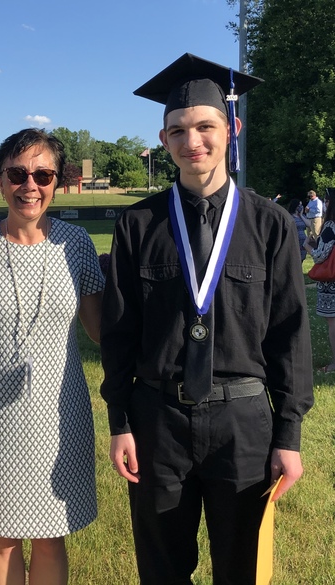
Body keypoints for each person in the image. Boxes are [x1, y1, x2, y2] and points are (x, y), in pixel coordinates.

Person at [100, 53, 314, 584]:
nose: (192, 140)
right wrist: (120, 422)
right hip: (157, 421)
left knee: (241, 568)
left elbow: (290, 333)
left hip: (242, 422)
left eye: (204, 126)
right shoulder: (137, 224)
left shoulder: (271, 225)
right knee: (162, 567)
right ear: (164, 138)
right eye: (178, 130)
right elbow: (119, 330)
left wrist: (288, 434)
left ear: (231, 127)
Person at [0, 128, 104, 585]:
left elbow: (100, 331)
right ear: (0, 179)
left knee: (52, 535)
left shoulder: (77, 245)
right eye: (17, 173)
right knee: (2, 537)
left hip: (58, 413)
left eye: (43, 174)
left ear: (57, 180)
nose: (29, 185)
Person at [304, 193, 335, 373]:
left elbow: (321, 255)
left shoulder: (330, 225)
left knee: (333, 323)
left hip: (331, 283)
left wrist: (307, 246)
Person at [289, 197, 312, 262]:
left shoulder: (302, 216)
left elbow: (309, 224)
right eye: (299, 205)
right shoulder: (290, 216)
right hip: (295, 239)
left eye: (301, 205)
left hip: (303, 240)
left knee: (302, 257)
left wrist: (301, 215)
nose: (301, 207)